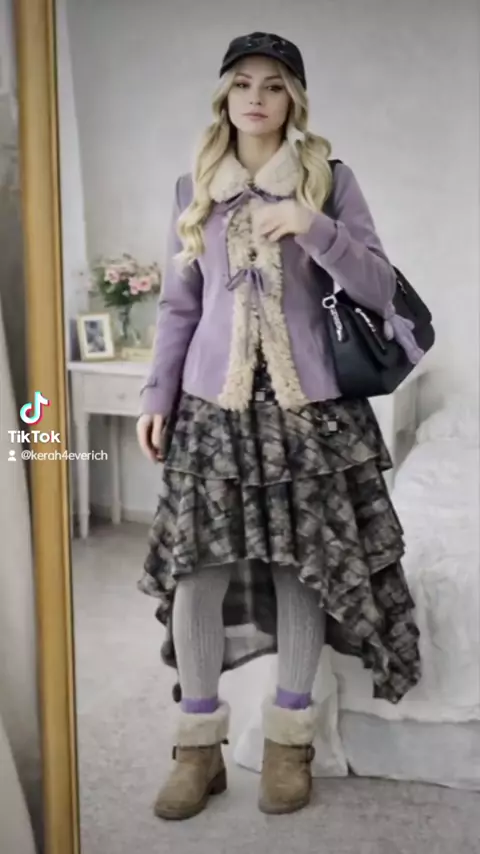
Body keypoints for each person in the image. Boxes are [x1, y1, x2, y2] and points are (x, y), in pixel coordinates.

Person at [136, 31, 422, 821]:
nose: (256, 97)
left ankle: (289, 744)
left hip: (311, 415)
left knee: (303, 569)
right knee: (196, 573)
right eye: (242, 83)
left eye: (273, 84)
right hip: (213, 410)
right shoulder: (194, 185)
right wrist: (157, 396)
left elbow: (379, 287)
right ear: (224, 97)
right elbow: (180, 305)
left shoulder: (330, 180)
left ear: (294, 99)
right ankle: (198, 749)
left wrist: (311, 225)